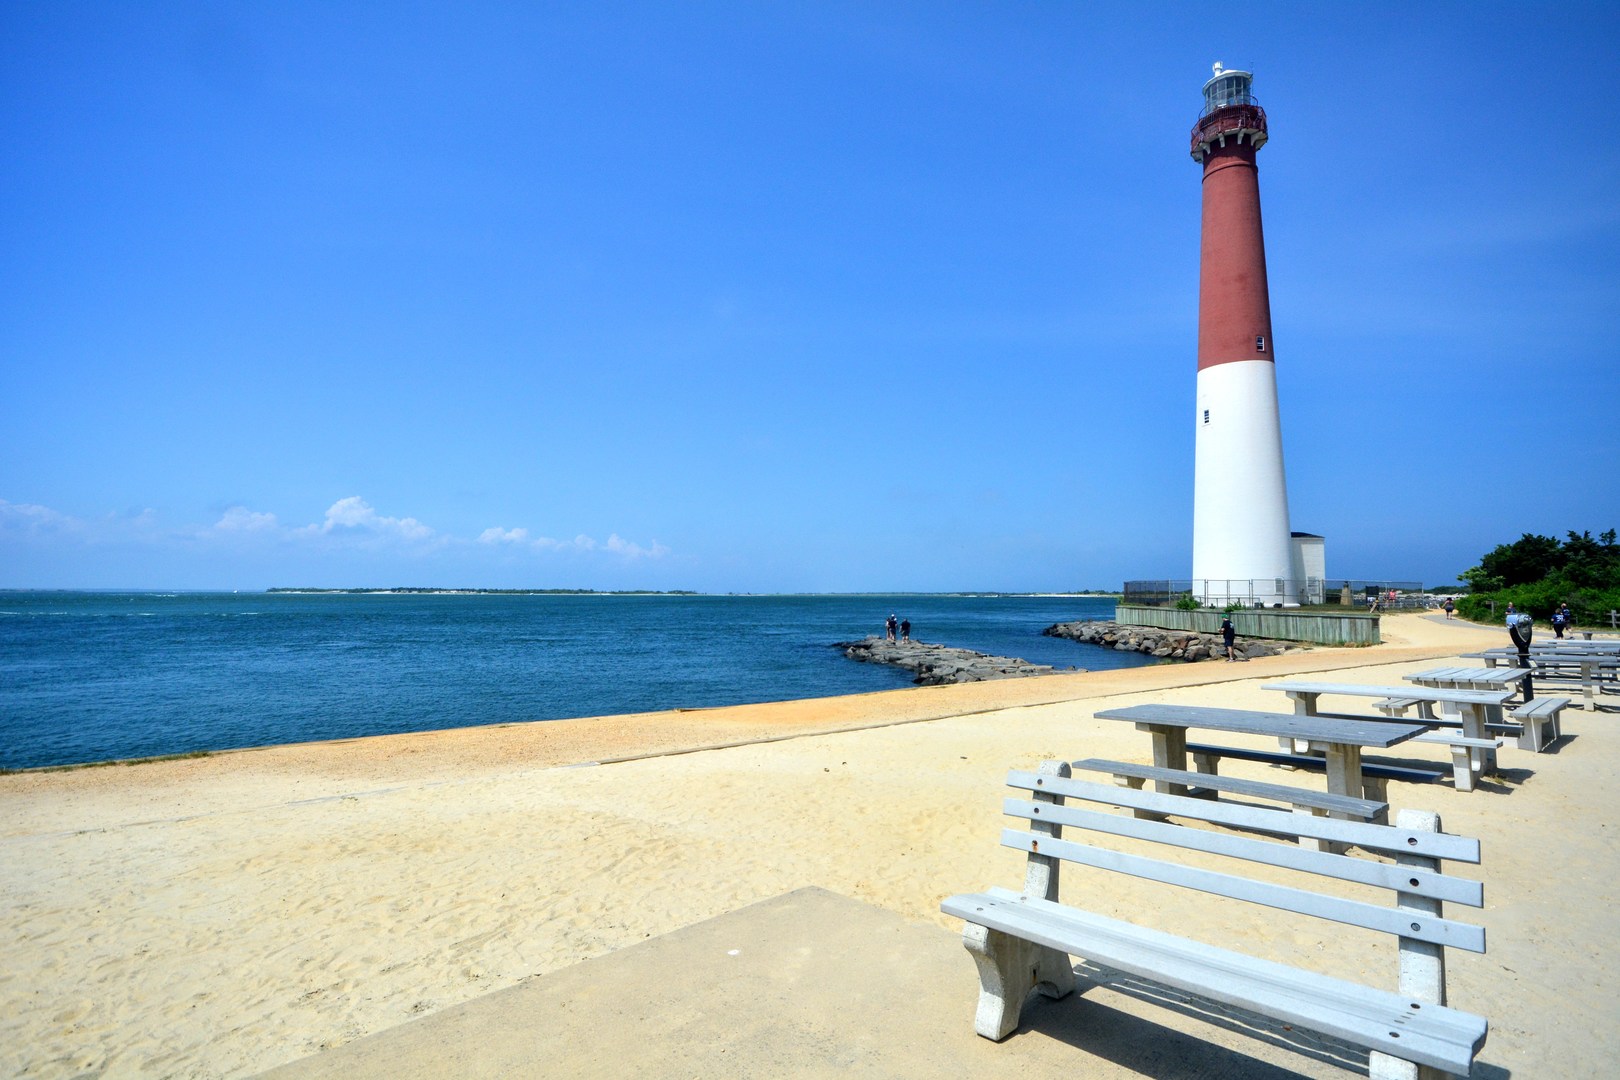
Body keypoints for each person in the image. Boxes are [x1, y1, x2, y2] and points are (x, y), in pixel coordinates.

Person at [1508, 607, 1535, 699]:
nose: (1525, 628)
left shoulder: (1514, 626)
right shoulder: (1514, 627)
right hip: (1523, 650)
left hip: (1524, 650)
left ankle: (1528, 698)